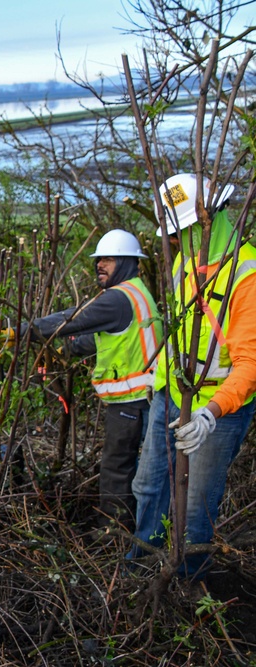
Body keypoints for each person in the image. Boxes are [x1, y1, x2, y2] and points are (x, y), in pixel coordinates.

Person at [130, 173, 256, 578]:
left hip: (219, 409)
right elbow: (184, 331)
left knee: (194, 506)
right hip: (173, 391)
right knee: (148, 486)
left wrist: (211, 412)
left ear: (210, 217)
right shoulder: (185, 260)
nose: (173, 241)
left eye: (180, 231)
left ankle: (184, 587)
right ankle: (141, 568)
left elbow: (251, 363)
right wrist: (159, 377)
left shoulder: (248, 273)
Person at [20, 229, 161, 530]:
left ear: (127, 262)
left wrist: (20, 332)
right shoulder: (136, 293)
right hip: (145, 397)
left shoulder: (118, 298)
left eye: (108, 260)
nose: (100, 265)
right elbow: (106, 339)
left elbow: (72, 319)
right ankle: (137, 528)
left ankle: (113, 533)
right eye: (99, 259)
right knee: (140, 469)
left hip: (132, 400)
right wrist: (63, 350)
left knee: (116, 468)